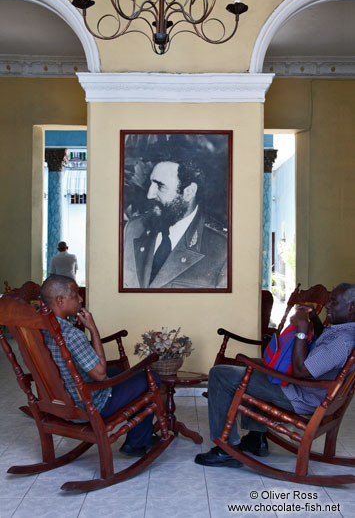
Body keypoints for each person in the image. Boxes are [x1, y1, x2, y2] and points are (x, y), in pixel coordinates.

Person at [195, 283, 355, 468]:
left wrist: (302, 328)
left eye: (334, 302)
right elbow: (319, 355)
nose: (328, 306)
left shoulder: (342, 341)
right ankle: (256, 438)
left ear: (352, 307)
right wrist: (314, 319)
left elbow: (300, 371)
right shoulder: (343, 331)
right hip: (310, 389)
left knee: (220, 374)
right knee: (248, 364)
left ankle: (225, 448)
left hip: (302, 394)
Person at [41, 274, 159, 456]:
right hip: (89, 405)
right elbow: (100, 375)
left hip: (62, 399)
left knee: (119, 371)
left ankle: (142, 434)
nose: (80, 299)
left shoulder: (40, 329)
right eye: (75, 296)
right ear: (60, 300)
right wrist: (93, 329)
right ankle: (136, 444)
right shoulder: (71, 336)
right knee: (150, 378)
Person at [123, 160, 228, 289]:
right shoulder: (133, 229)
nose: (149, 195)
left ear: (189, 192)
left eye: (160, 186)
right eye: (150, 184)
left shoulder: (222, 249)